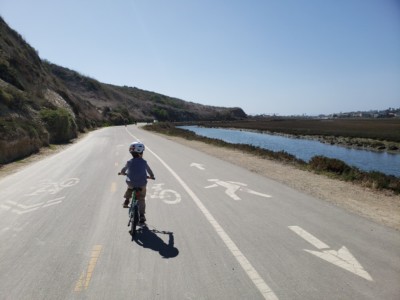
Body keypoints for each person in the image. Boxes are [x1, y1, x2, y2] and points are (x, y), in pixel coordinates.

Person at [119, 142, 155, 223]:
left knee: (130, 187)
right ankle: (142, 215)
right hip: (142, 184)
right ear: (140, 153)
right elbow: (149, 171)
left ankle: (126, 200)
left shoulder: (129, 162)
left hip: (130, 183)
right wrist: (152, 176)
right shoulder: (144, 162)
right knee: (141, 198)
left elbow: (123, 170)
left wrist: (122, 173)